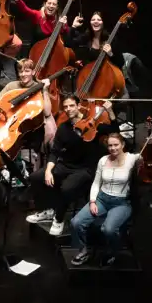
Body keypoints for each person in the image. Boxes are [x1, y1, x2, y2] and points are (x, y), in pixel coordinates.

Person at [28, 93, 99, 236]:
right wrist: (48, 171)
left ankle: (59, 218)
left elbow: (112, 130)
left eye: (72, 106)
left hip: (84, 168)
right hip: (66, 165)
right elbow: (55, 152)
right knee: (36, 177)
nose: (68, 109)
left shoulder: (91, 123)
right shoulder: (63, 127)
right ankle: (48, 210)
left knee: (66, 188)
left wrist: (110, 113)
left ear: (79, 106)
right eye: (65, 107)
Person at [66, 130, 137, 267]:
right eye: (110, 145)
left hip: (121, 202)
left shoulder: (132, 159)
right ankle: (84, 250)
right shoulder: (103, 160)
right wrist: (92, 201)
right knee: (76, 222)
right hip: (102, 199)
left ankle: (113, 251)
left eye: (116, 145)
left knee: (108, 230)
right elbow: (96, 183)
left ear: (123, 144)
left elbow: (149, 158)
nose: (113, 148)